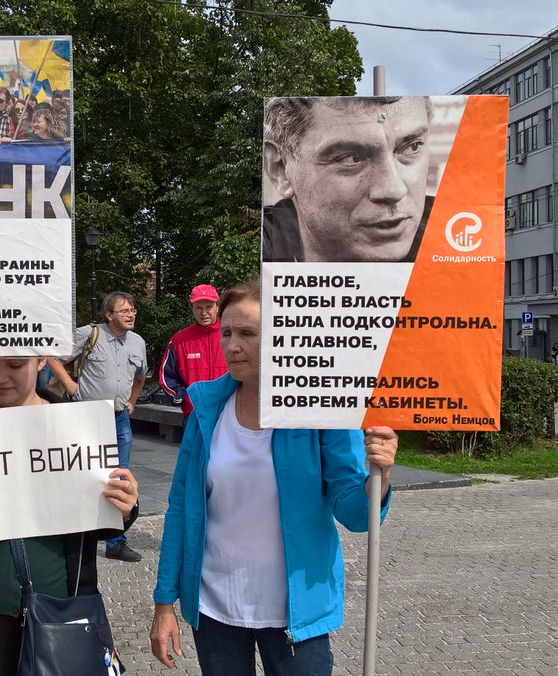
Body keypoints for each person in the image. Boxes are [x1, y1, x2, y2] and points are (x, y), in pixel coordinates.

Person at [150, 278, 398, 675]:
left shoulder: (321, 410)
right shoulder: (207, 409)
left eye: (247, 333)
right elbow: (180, 509)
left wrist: (378, 479)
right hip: (215, 609)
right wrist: (164, 602)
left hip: (296, 613)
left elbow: (354, 514)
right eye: (227, 333)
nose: (232, 345)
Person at [0, 349, 139, 675]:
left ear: (42, 360)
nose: (0, 377)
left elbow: (100, 523)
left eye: (16, 365)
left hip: (62, 611)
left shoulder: (76, 424)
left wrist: (125, 506)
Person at [262, 96, 434, 263]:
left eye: (412, 147)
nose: (395, 190)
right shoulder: (257, 249)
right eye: (352, 158)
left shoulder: (447, 231)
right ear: (280, 169)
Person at [47, 291, 147, 563]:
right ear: (109, 315)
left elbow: (140, 376)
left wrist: (132, 401)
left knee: (119, 479)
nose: (131, 315)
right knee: (80, 475)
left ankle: (115, 541)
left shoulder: (137, 342)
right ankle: (74, 537)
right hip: (86, 417)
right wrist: (70, 385)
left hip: (119, 419)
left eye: (133, 310)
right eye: (125, 311)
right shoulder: (89, 334)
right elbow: (52, 355)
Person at [159, 284, 227, 418]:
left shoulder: (231, 334)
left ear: (217, 307)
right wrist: (183, 396)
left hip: (229, 414)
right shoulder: (179, 340)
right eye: (199, 308)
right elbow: (166, 376)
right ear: (192, 309)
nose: (204, 313)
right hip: (194, 415)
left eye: (208, 307)